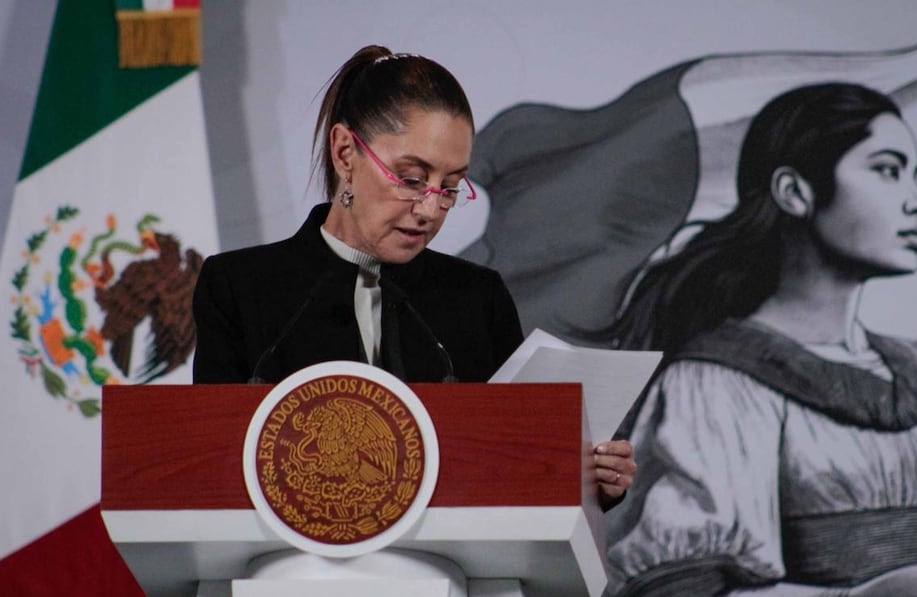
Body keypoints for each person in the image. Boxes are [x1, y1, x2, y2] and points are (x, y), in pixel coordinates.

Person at [569, 83, 917, 597]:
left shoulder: (913, 373)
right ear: (795, 192)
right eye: (889, 170)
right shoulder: (715, 383)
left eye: (914, 174)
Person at [191, 45, 636, 508]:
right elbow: (213, 466)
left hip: (447, 572)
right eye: (410, 178)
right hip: (289, 569)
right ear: (345, 152)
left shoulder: (476, 297)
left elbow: (516, 463)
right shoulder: (239, 286)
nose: (429, 209)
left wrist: (594, 476)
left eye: (449, 187)